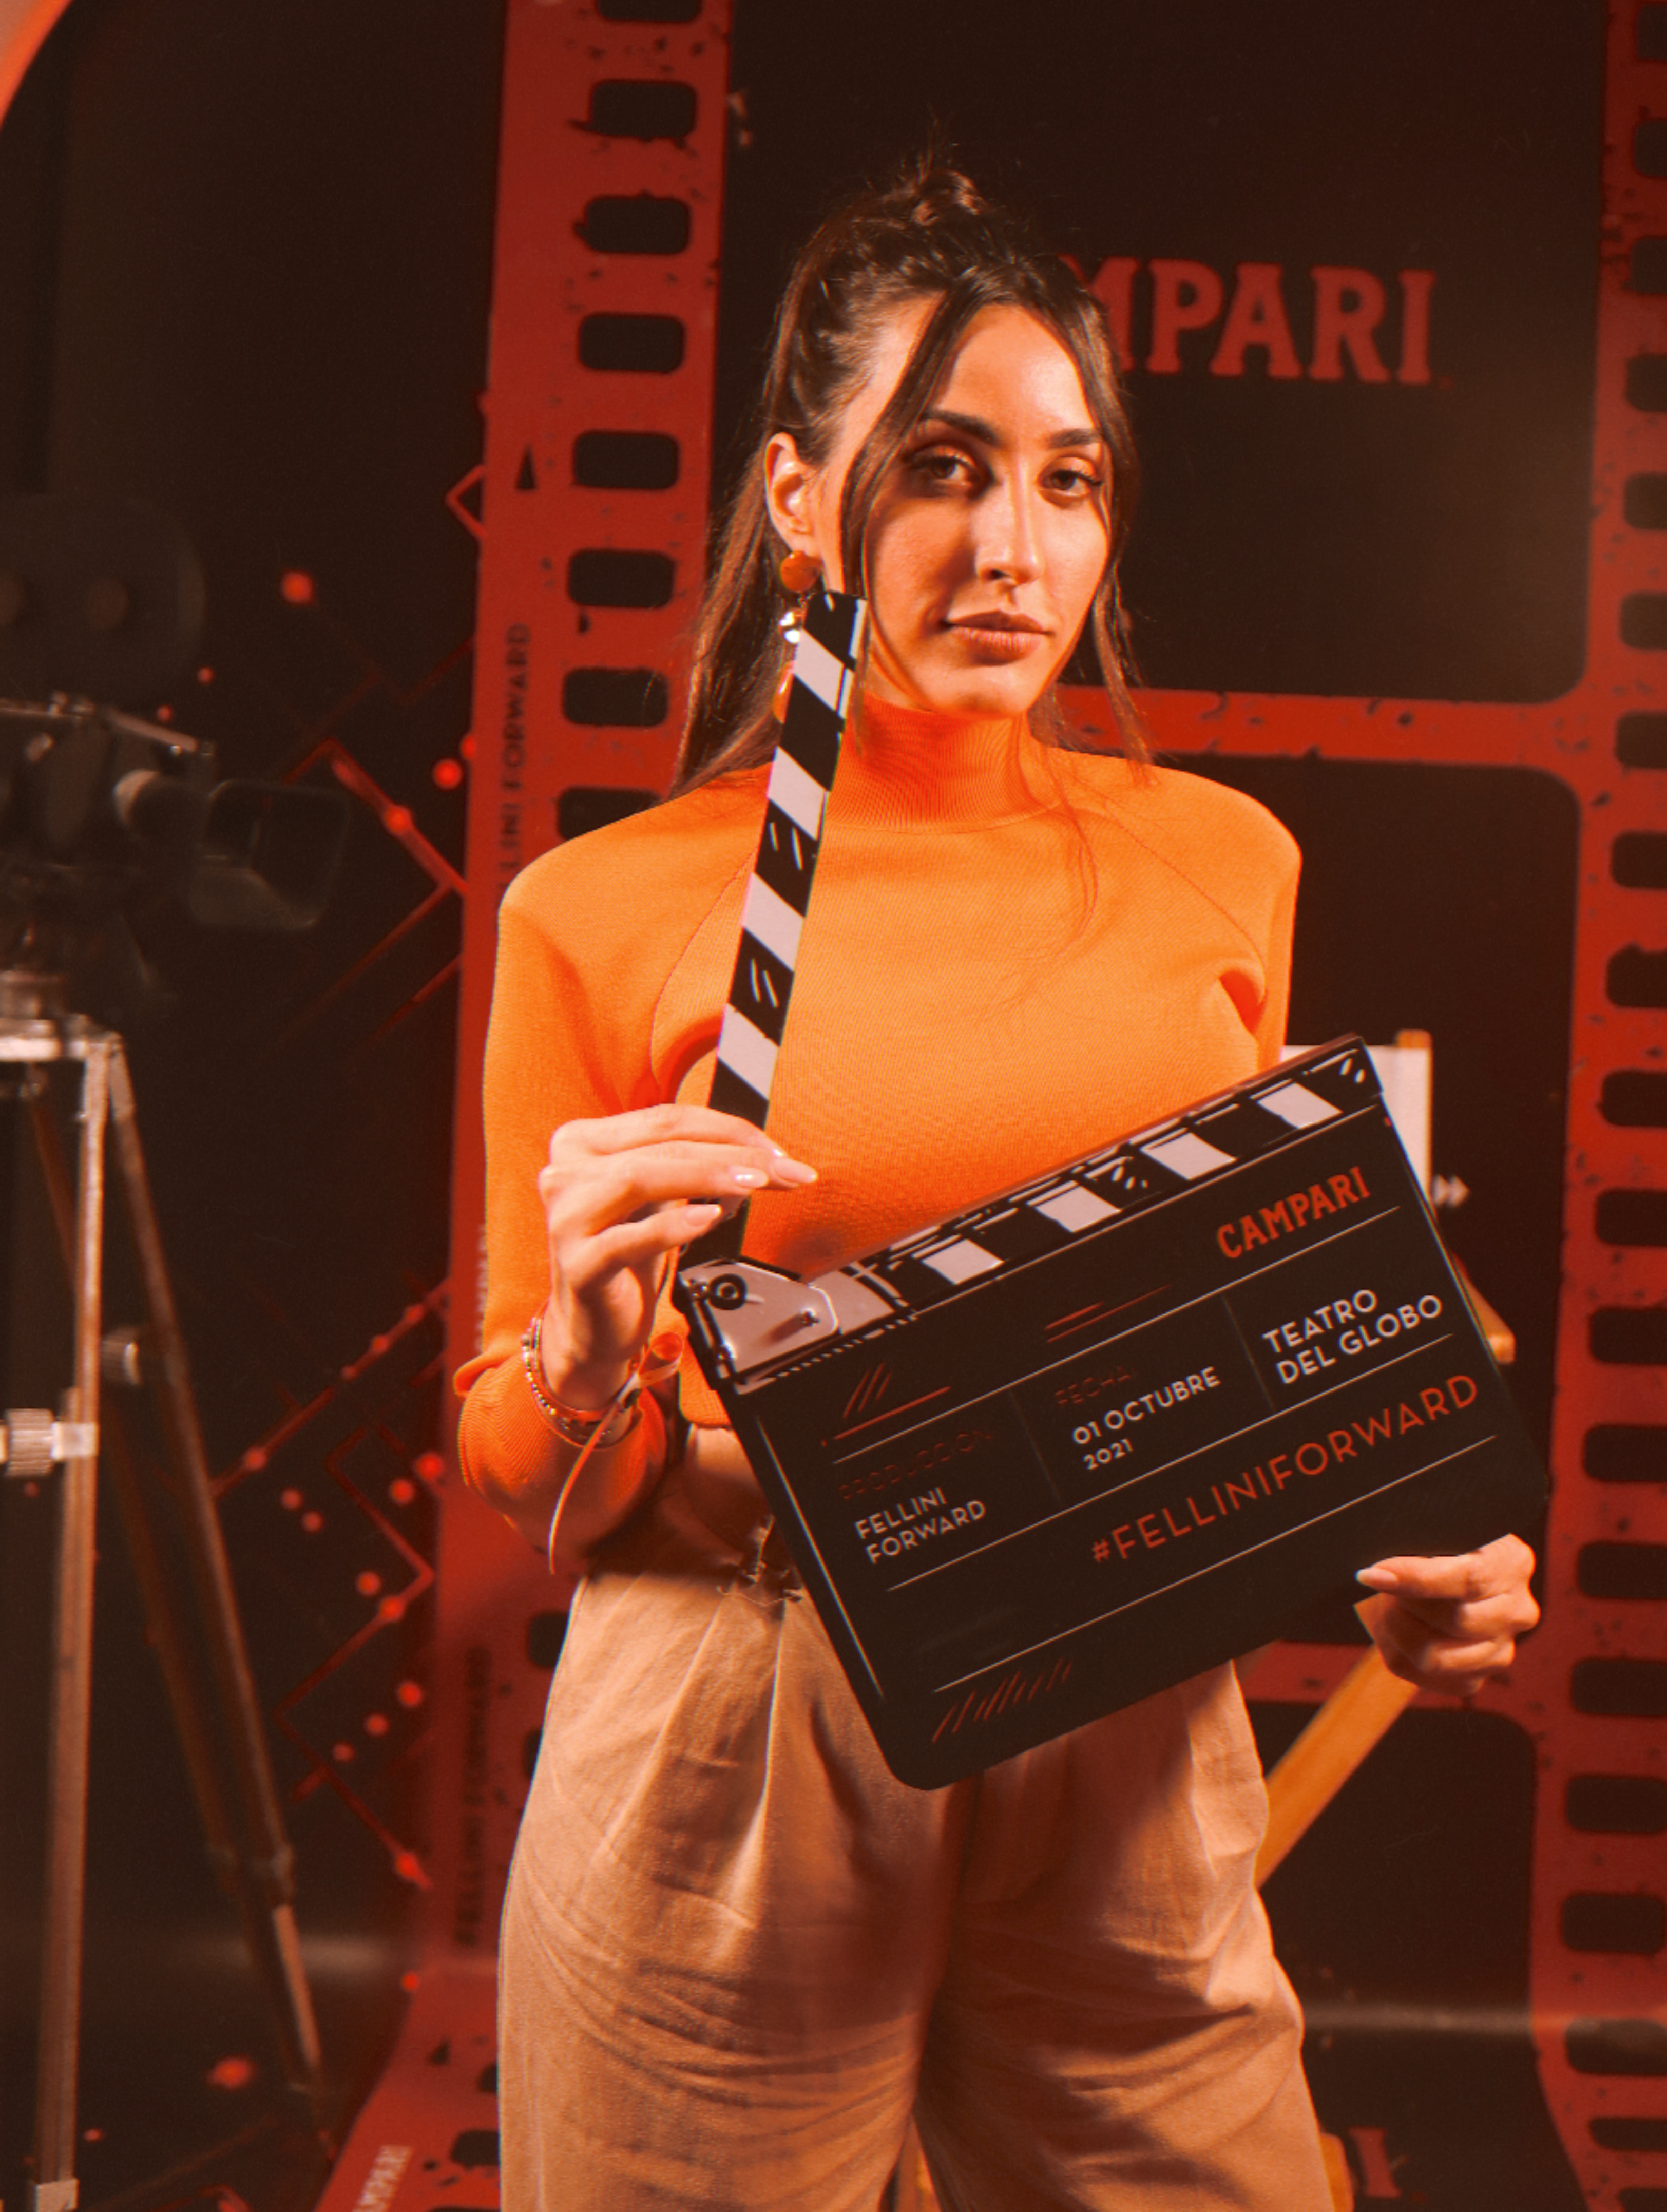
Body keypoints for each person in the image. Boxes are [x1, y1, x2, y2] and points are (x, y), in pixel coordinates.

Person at [457, 163, 1539, 2212]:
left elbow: (1249, 1352)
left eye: (1068, 480)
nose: (1012, 549)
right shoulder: (603, 910)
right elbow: (531, 1474)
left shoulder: (1220, 864)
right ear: (802, 499)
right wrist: (585, 1357)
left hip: (1132, 1720)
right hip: (743, 1711)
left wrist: (1401, 1537)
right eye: (942, 469)